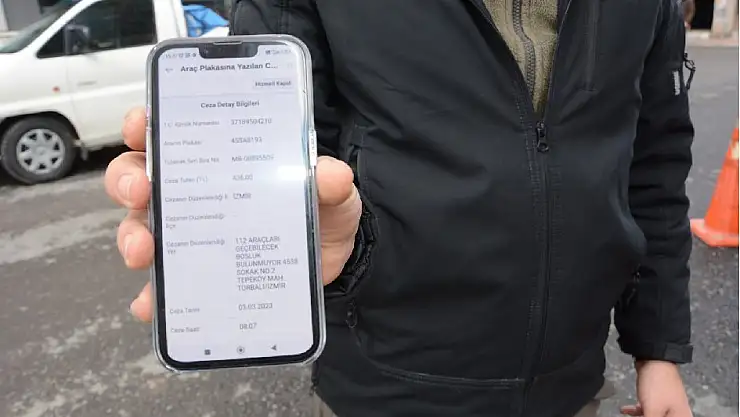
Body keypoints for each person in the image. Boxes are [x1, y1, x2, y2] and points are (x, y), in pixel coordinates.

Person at [105, 0, 696, 416]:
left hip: (571, 386)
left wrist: (658, 350)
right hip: (385, 387)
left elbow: (654, 167)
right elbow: (285, 155)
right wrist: (303, 242)